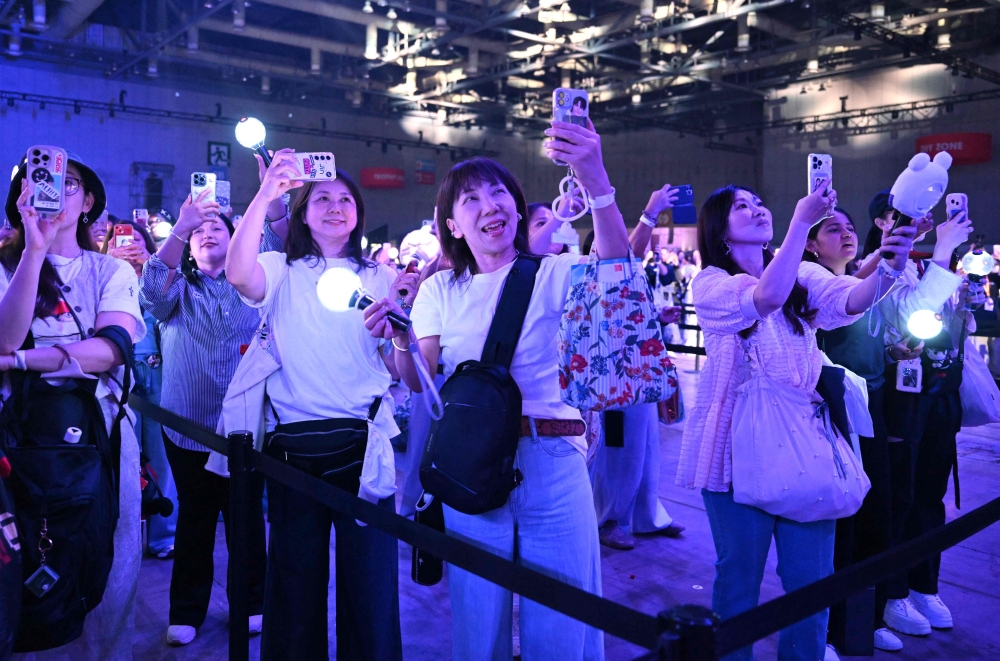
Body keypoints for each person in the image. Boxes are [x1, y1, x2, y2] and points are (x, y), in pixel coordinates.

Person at [370, 118, 629, 660]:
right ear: (453, 226)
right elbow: (419, 379)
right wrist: (401, 339)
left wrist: (596, 179)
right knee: (476, 610)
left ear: (515, 207)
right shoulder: (441, 287)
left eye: (499, 193)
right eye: (470, 199)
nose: (490, 205)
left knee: (562, 616)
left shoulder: (554, 272)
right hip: (472, 460)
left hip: (552, 455)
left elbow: (615, 269)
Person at [675, 182, 916, 661]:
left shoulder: (802, 273)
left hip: (804, 444)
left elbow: (852, 301)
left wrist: (891, 263)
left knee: (811, 585)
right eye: (741, 207)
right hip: (732, 451)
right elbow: (764, 298)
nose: (757, 209)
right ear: (719, 231)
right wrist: (801, 223)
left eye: (760, 203)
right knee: (738, 580)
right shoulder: (711, 283)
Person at [226, 154, 406, 661]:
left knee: (370, 589)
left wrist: (400, 331)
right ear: (301, 213)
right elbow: (239, 275)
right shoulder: (281, 269)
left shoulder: (381, 275)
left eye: (346, 199)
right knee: (293, 586)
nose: (335, 207)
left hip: (365, 446)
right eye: (322, 198)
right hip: (293, 448)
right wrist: (265, 195)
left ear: (359, 214)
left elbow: (395, 368)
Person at [1, 151, 144, 661]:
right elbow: (3, 333)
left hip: (100, 436)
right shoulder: (5, 267)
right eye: (40, 180)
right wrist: (33, 252)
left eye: (70, 183)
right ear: (21, 198)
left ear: (87, 202)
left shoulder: (111, 271)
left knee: (111, 557)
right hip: (15, 438)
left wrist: (18, 361)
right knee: (18, 560)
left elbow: (111, 349)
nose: (54, 190)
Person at [139, 190, 267, 647]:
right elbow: (151, 292)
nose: (208, 233)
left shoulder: (253, 286)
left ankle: (252, 602)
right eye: (200, 232)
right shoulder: (177, 291)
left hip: (247, 427)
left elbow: (272, 236)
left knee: (245, 518)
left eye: (218, 228)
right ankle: (186, 610)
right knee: (195, 518)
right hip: (187, 425)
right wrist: (180, 227)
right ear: (188, 248)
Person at [803, 206, 924, 652]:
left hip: (871, 413)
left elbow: (874, 345)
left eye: (850, 227)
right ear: (812, 244)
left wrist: (895, 353)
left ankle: (867, 620)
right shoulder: (812, 289)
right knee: (842, 529)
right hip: (832, 415)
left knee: (877, 520)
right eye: (833, 229)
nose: (846, 234)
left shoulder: (865, 286)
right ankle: (830, 633)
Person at [864, 190, 976, 640]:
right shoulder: (878, 267)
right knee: (899, 495)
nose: (920, 220)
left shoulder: (930, 267)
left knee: (931, 493)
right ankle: (892, 593)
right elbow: (908, 313)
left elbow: (945, 325)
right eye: (904, 215)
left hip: (939, 393)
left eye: (922, 213)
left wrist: (961, 302)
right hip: (899, 395)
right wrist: (944, 254)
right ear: (884, 223)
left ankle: (924, 582)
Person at [591, 183, 685, 550]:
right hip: (612, 377)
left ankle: (646, 515)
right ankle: (609, 519)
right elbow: (628, 253)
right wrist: (650, 210)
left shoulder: (631, 277)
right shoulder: (600, 270)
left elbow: (632, 316)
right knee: (619, 452)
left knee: (646, 450)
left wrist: (658, 316)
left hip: (639, 373)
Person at [100, 219, 179, 560]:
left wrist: (149, 264)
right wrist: (112, 265)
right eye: (118, 240)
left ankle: (164, 536)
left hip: (157, 369)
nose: (128, 244)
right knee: (120, 454)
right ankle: (120, 538)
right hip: (116, 368)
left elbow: (167, 310)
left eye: (137, 240)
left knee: (161, 455)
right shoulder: (101, 273)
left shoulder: (154, 274)